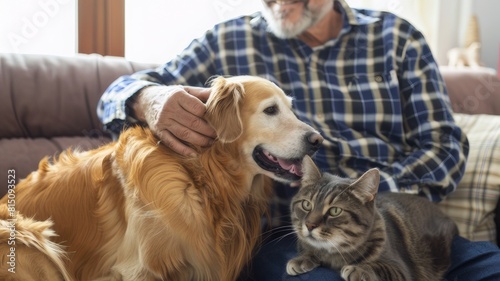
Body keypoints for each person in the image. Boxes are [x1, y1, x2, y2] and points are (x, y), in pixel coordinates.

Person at [98, 0, 500, 280]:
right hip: (292, 240)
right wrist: (148, 99)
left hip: (404, 229)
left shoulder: (398, 39)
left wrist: (360, 202)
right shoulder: (225, 41)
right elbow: (117, 94)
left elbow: (443, 147)